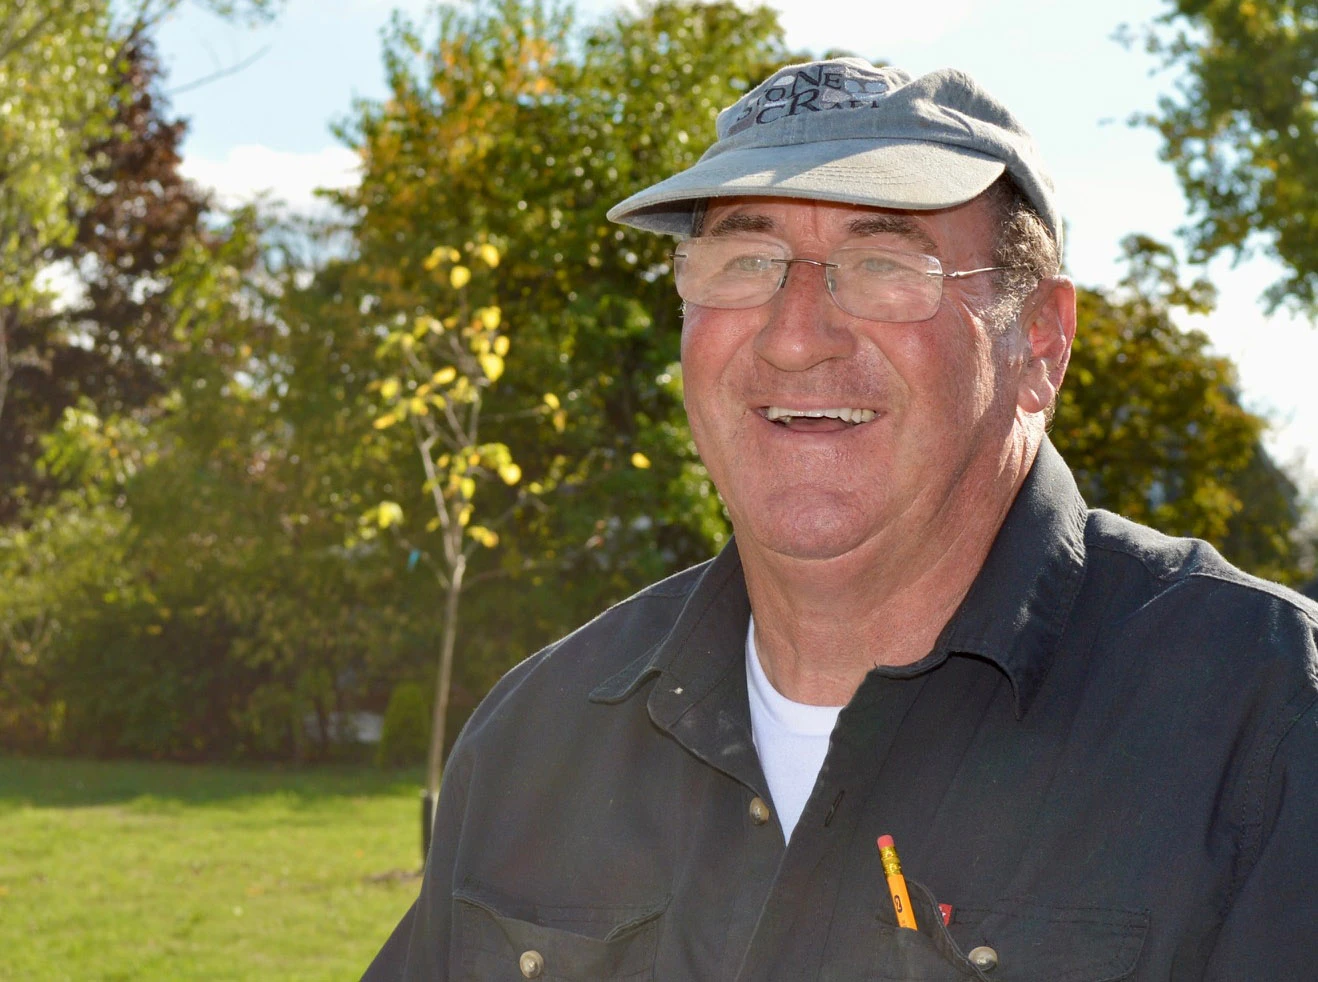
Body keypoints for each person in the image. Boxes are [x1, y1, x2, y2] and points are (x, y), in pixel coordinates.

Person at [364, 58, 1318, 980]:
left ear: (1040, 342)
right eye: (744, 261)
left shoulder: (1261, 721)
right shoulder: (540, 742)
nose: (794, 336)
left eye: (883, 263)